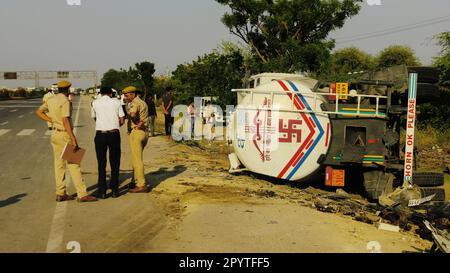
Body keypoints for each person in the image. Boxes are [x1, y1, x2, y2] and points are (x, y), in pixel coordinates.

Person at [35, 80, 97, 203]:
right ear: (68, 89)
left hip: (55, 134)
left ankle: (60, 192)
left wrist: (51, 120)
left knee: (59, 165)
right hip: (64, 134)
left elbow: (39, 112)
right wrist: (73, 138)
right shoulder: (65, 101)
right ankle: (82, 193)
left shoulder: (51, 99)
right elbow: (65, 120)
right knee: (74, 164)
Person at [91, 87, 125, 199]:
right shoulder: (117, 102)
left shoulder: (95, 103)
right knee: (115, 162)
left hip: (100, 134)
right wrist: (114, 125)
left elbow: (94, 117)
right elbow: (122, 119)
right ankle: (115, 190)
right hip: (114, 134)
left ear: (100, 93)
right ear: (111, 93)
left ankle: (102, 191)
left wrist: (103, 124)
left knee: (101, 163)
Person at [122, 86, 150, 193]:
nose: (126, 97)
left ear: (133, 94)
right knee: (136, 158)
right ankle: (134, 181)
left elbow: (133, 114)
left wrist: (137, 122)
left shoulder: (134, 103)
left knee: (137, 160)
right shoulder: (143, 102)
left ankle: (141, 184)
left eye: (127, 95)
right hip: (145, 132)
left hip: (137, 131)